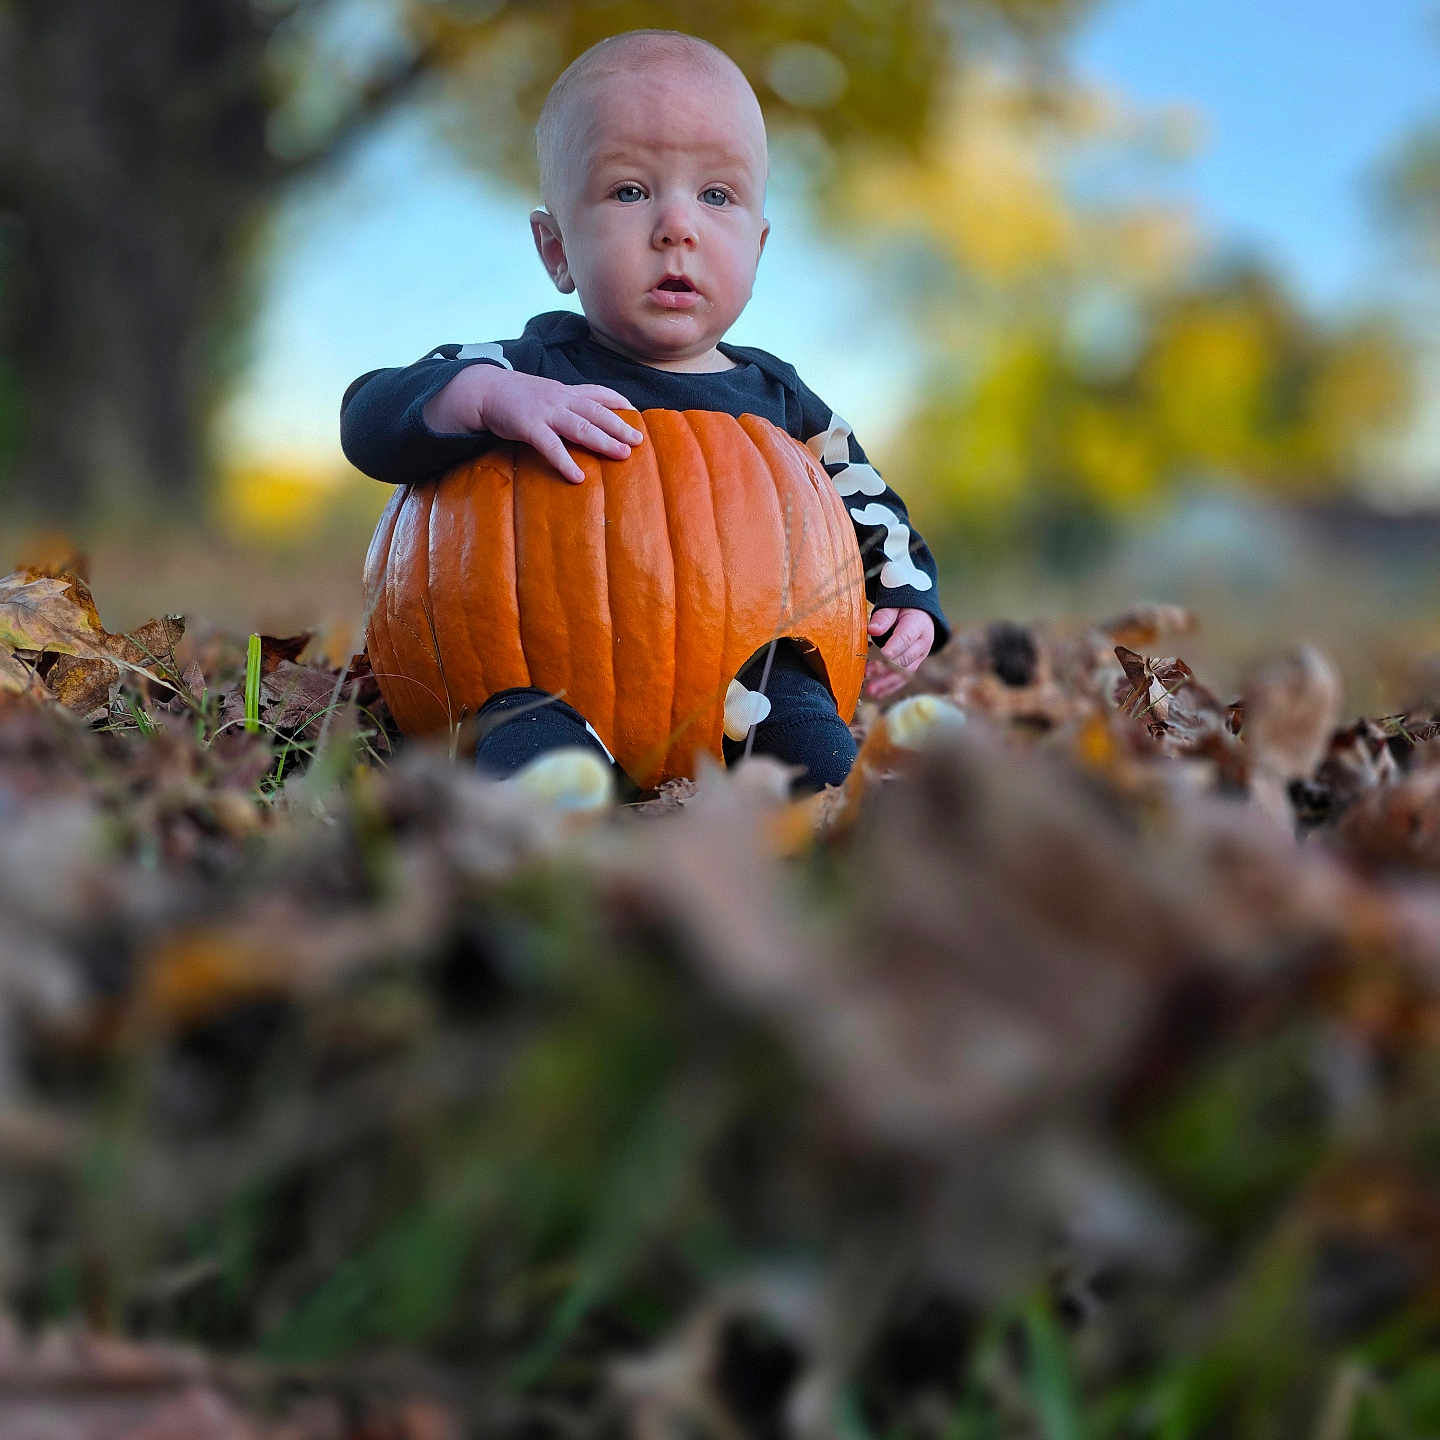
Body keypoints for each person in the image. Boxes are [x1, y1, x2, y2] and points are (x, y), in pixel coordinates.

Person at [342, 29, 949, 796]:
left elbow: (871, 505)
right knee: (519, 725)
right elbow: (368, 415)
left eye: (717, 195)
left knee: (795, 703)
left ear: (758, 248)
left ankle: (833, 804)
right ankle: (545, 818)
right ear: (556, 247)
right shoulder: (522, 371)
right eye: (629, 191)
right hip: (539, 672)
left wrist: (908, 597)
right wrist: (487, 401)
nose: (676, 226)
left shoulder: (784, 402)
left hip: (741, 677)